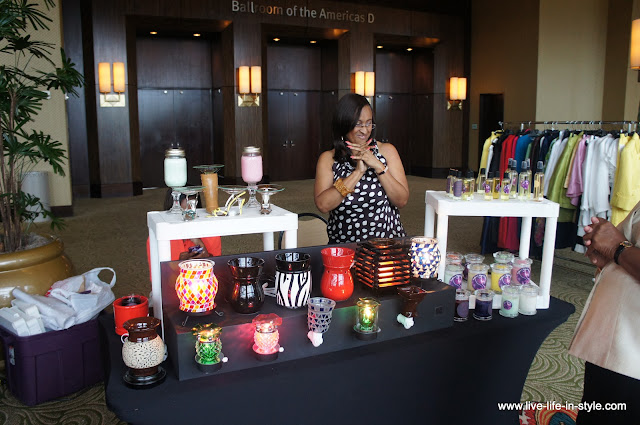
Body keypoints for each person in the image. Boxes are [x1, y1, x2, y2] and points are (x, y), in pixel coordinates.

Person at [568, 202, 640, 424]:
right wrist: (607, 253)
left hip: (631, 354)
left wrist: (618, 249)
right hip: (612, 342)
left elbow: (621, 246)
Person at [314, 93, 409, 243]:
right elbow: (323, 205)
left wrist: (379, 166)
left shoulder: (387, 151)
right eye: (358, 124)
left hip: (386, 245)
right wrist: (357, 173)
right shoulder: (328, 159)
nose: (365, 131)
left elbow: (401, 201)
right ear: (344, 124)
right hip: (345, 248)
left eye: (369, 123)